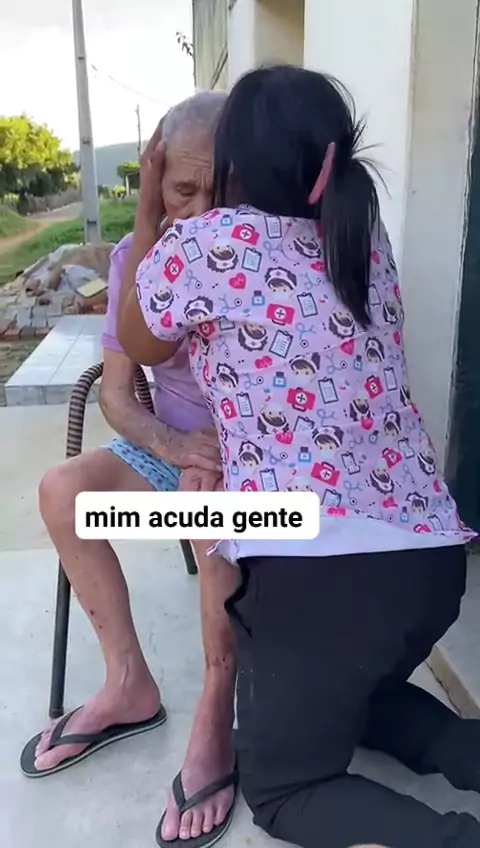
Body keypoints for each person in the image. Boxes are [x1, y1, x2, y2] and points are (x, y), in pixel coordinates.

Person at [118, 65, 480, 848]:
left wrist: (151, 205)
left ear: (233, 167)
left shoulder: (207, 244)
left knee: (286, 790)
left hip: (321, 579)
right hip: (431, 561)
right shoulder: (362, 239)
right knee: (360, 696)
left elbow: (138, 340)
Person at [20, 92, 241, 848]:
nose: (201, 210)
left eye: (220, 190)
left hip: (255, 463)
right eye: (183, 190)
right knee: (62, 491)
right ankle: (128, 685)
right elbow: (116, 396)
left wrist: (208, 459)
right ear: (153, 180)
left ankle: (217, 707)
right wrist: (173, 445)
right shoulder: (131, 260)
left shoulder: (259, 254)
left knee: (210, 507)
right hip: (173, 449)